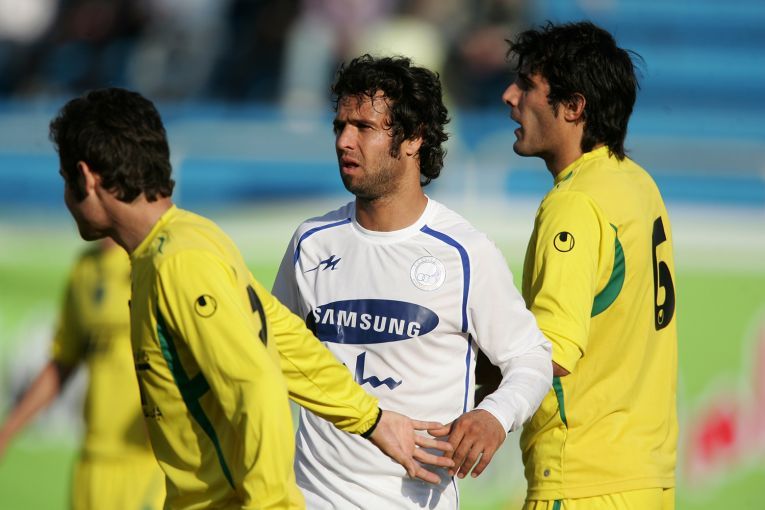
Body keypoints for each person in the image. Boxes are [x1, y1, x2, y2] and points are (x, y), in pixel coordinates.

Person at [48, 87, 453, 509]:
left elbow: (256, 388)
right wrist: (370, 419)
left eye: (64, 178)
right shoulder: (188, 238)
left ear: (86, 177)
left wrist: (272, 504)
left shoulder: (180, 262)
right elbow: (286, 343)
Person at [271, 54, 552, 509]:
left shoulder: (464, 252)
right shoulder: (311, 242)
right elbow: (272, 355)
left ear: (414, 137)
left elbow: (531, 357)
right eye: (340, 126)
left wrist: (495, 416)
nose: (344, 141)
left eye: (364, 127)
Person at [494, 21, 679, 509]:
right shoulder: (639, 184)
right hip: (647, 481)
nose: (509, 96)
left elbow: (549, 354)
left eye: (527, 85)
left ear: (574, 106)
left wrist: (446, 371)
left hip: (582, 480)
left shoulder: (575, 203)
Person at [0, 238, 165, 510]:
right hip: (91, 462)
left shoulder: (151, 262)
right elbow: (62, 361)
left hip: (146, 460)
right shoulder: (84, 269)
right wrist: (7, 431)